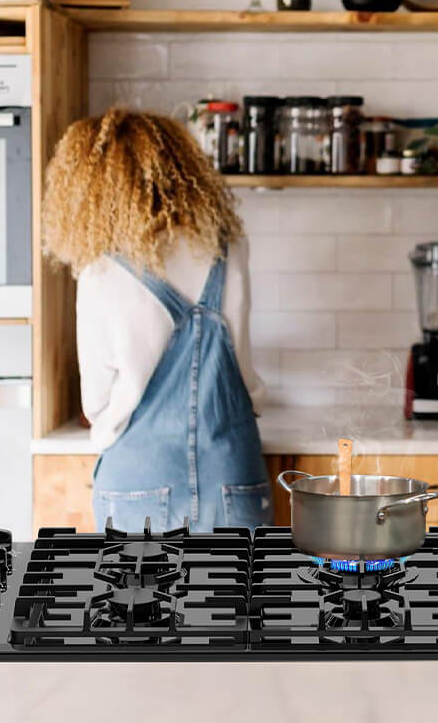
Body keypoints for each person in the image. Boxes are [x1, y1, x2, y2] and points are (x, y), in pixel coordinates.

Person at [42, 107, 271, 533]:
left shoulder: (101, 270)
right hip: (232, 475)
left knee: (141, 584)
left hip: (138, 480)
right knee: (235, 582)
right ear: (183, 170)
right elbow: (243, 376)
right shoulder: (229, 249)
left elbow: (96, 403)